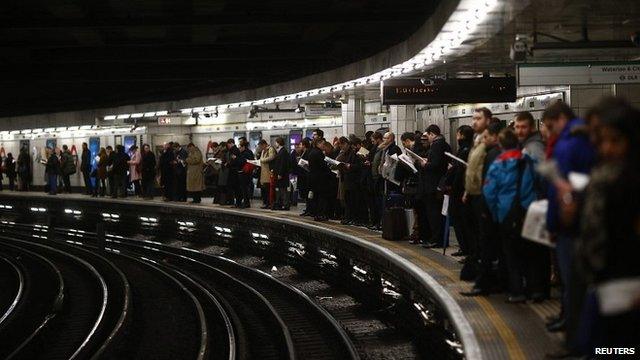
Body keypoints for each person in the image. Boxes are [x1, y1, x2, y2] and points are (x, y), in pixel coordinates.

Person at [578, 98, 640, 353]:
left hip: (629, 290)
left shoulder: (631, 182)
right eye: (602, 140)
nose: (605, 148)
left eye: (615, 141)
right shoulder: (605, 176)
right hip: (605, 282)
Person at [542, 101, 596, 352]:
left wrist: (556, 222)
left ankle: (577, 346)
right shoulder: (573, 140)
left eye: (551, 126)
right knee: (573, 288)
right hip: (569, 226)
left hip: (571, 228)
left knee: (575, 289)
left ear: (561, 118)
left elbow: (567, 187)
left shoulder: (572, 142)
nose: (549, 132)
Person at [483, 128, 537, 303]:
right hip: (526, 213)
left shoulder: (498, 164)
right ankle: (533, 289)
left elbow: (489, 191)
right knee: (529, 253)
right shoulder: (528, 161)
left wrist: (495, 212)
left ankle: (516, 291)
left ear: (500, 144)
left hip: (505, 213)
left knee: (510, 254)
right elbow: (534, 186)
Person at [460, 107, 492, 292]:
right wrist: (466, 190)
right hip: (473, 194)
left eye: (478, 118)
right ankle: (479, 276)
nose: (474, 122)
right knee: (476, 238)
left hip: (483, 195)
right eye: (473, 118)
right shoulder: (476, 139)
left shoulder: (489, 140)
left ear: (488, 120)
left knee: (484, 239)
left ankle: (484, 281)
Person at [417, 125, 451, 248]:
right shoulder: (444, 144)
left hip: (433, 184)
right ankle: (440, 239)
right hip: (437, 184)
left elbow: (436, 164)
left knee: (434, 214)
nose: (428, 139)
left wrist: (425, 164)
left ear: (432, 134)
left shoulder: (437, 145)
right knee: (437, 213)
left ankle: (436, 239)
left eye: (428, 136)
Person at [446, 125, 474, 258]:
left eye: (458, 134)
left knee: (461, 222)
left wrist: (450, 184)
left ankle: (466, 249)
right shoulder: (466, 149)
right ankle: (465, 248)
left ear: (462, 135)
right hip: (461, 190)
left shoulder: (464, 151)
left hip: (459, 191)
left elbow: (459, 172)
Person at [308, 138, 332, 221]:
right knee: (322, 198)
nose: (324, 146)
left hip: (314, 179)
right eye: (323, 144)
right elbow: (323, 166)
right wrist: (330, 171)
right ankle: (321, 214)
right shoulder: (318, 153)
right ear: (318, 143)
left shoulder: (311, 152)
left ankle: (316, 214)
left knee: (316, 198)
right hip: (321, 179)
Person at [271, 137, 291, 210]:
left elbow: (283, 164)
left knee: (283, 190)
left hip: (282, 175)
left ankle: (286, 205)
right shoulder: (282, 151)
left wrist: (280, 174)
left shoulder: (283, 152)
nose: (275, 144)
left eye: (276, 142)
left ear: (279, 143)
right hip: (280, 174)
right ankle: (281, 204)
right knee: (281, 190)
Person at [235, 141, 255, 208]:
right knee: (244, 189)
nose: (239, 149)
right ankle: (245, 202)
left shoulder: (246, 153)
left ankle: (246, 203)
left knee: (244, 189)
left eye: (240, 147)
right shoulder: (248, 152)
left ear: (243, 147)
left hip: (245, 173)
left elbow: (242, 161)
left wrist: (236, 158)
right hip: (245, 173)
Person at [257, 139, 276, 209]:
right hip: (263, 172)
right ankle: (266, 203)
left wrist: (262, 160)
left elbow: (271, 157)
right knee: (264, 189)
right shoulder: (263, 151)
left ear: (264, 144)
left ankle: (269, 203)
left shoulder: (270, 149)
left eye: (261, 146)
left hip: (268, 172)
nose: (260, 148)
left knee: (269, 189)